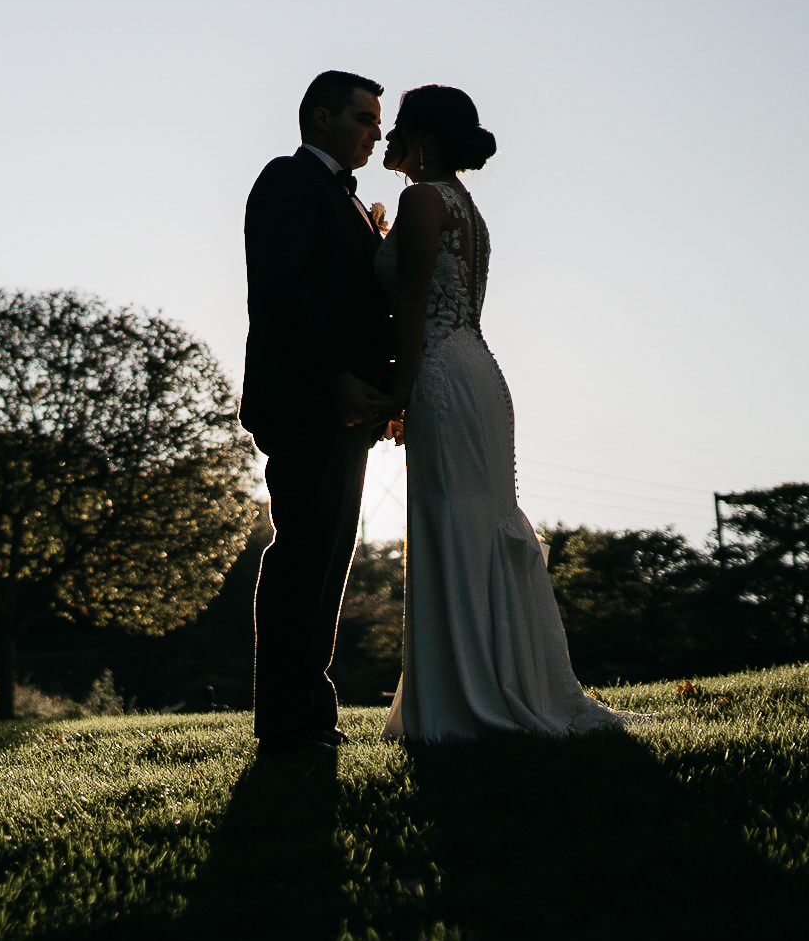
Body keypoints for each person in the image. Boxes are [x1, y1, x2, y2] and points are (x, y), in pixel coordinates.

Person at [375, 84, 629, 740]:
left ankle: (466, 697)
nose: (388, 138)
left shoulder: (423, 200)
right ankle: (505, 680)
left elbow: (411, 303)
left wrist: (396, 393)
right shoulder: (467, 208)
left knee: (452, 525)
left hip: (439, 373)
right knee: (481, 522)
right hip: (479, 371)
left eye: (398, 126)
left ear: (423, 137)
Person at [240, 70, 395, 755]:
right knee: (303, 557)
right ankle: (287, 721)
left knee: (329, 560)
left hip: (347, 409)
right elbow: (283, 291)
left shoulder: (348, 199)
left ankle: (312, 711)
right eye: (365, 119)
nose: (376, 133)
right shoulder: (288, 180)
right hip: (306, 401)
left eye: (378, 122)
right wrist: (336, 377)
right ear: (321, 117)